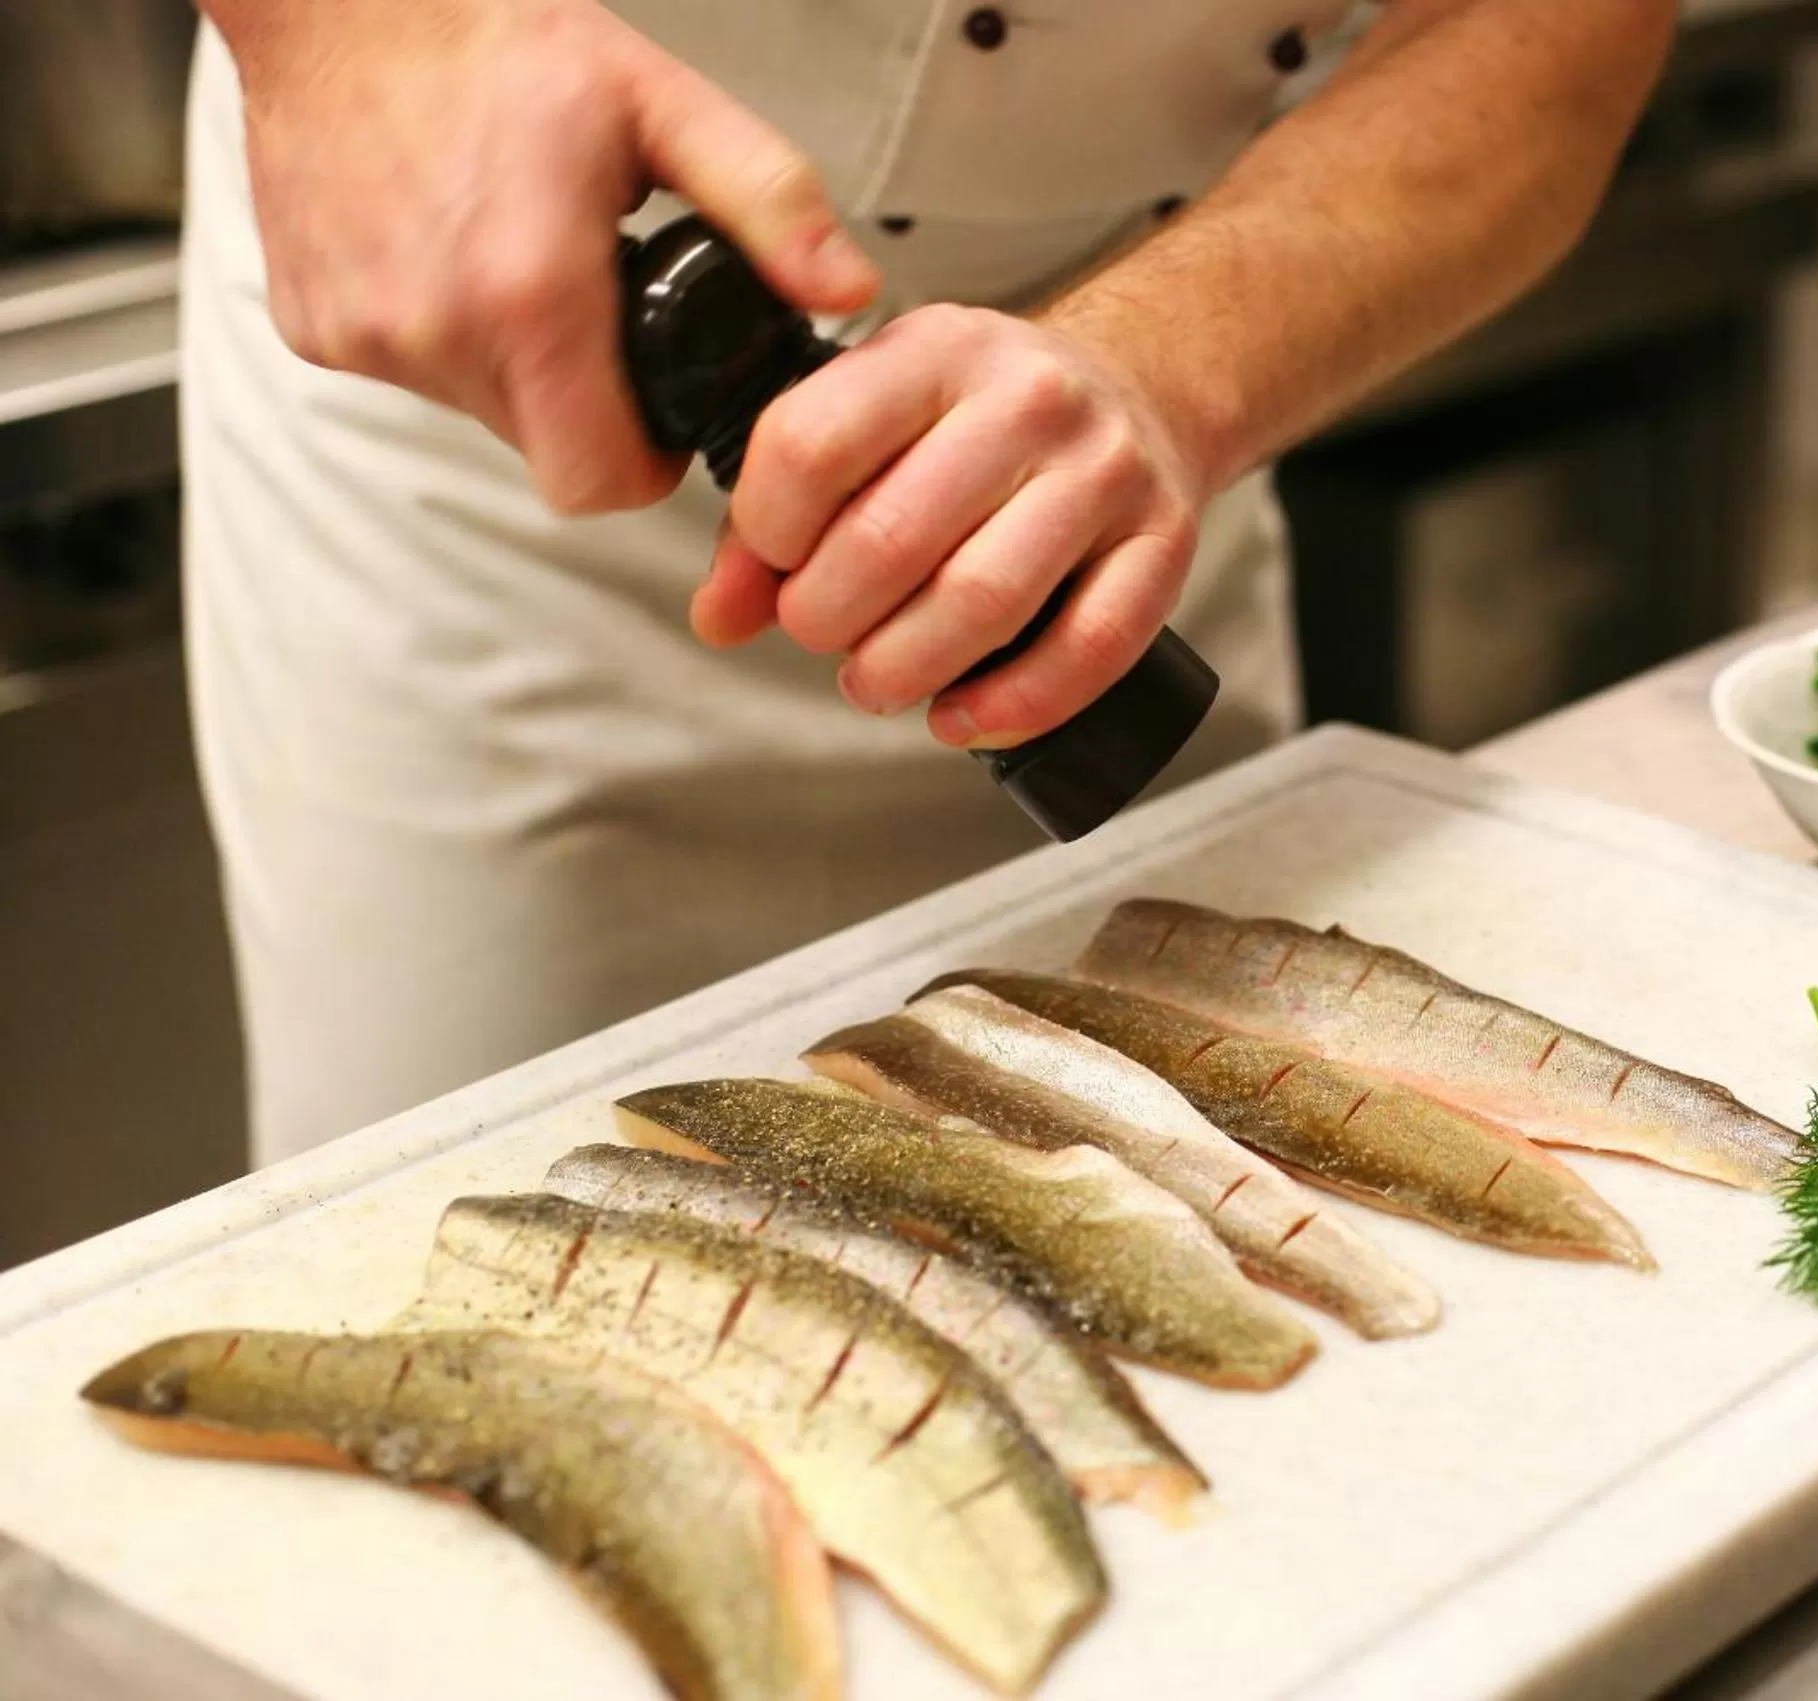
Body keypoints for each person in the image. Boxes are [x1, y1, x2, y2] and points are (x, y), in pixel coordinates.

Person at [183, 0, 1677, 1164]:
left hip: (1128, 428)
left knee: (1228, 1193)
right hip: (503, 409)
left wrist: (1171, 369)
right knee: (490, 1234)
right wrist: (336, 38)